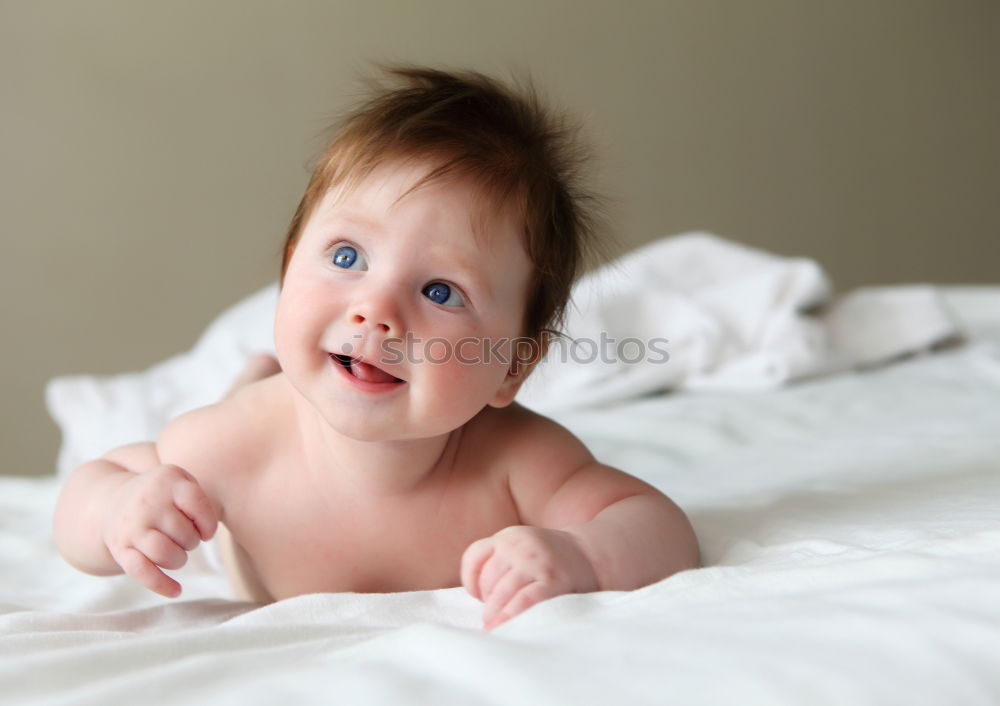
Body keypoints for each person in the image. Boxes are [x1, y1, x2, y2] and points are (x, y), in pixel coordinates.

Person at [53, 66, 699, 631]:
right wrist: (116, 513)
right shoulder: (234, 447)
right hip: (257, 446)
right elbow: (91, 493)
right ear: (288, 268)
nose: (377, 311)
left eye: (442, 292)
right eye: (346, 256)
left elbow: (655, 524)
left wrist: (582, 556)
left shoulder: (519, 463)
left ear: (513, 366)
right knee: (243, 403)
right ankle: (257, 377)